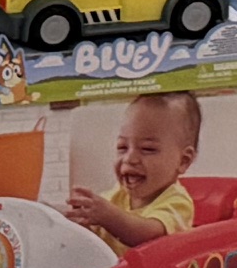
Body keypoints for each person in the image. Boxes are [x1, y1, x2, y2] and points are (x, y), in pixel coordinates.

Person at [63, 90, 201, 252]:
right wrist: (80, 224)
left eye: (147, 149)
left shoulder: (178, 202)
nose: (130, 158)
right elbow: (97, 245)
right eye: (122, 147)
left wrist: (107, 216)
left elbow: (147, 236)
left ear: (183, 161)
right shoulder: (117, 195)